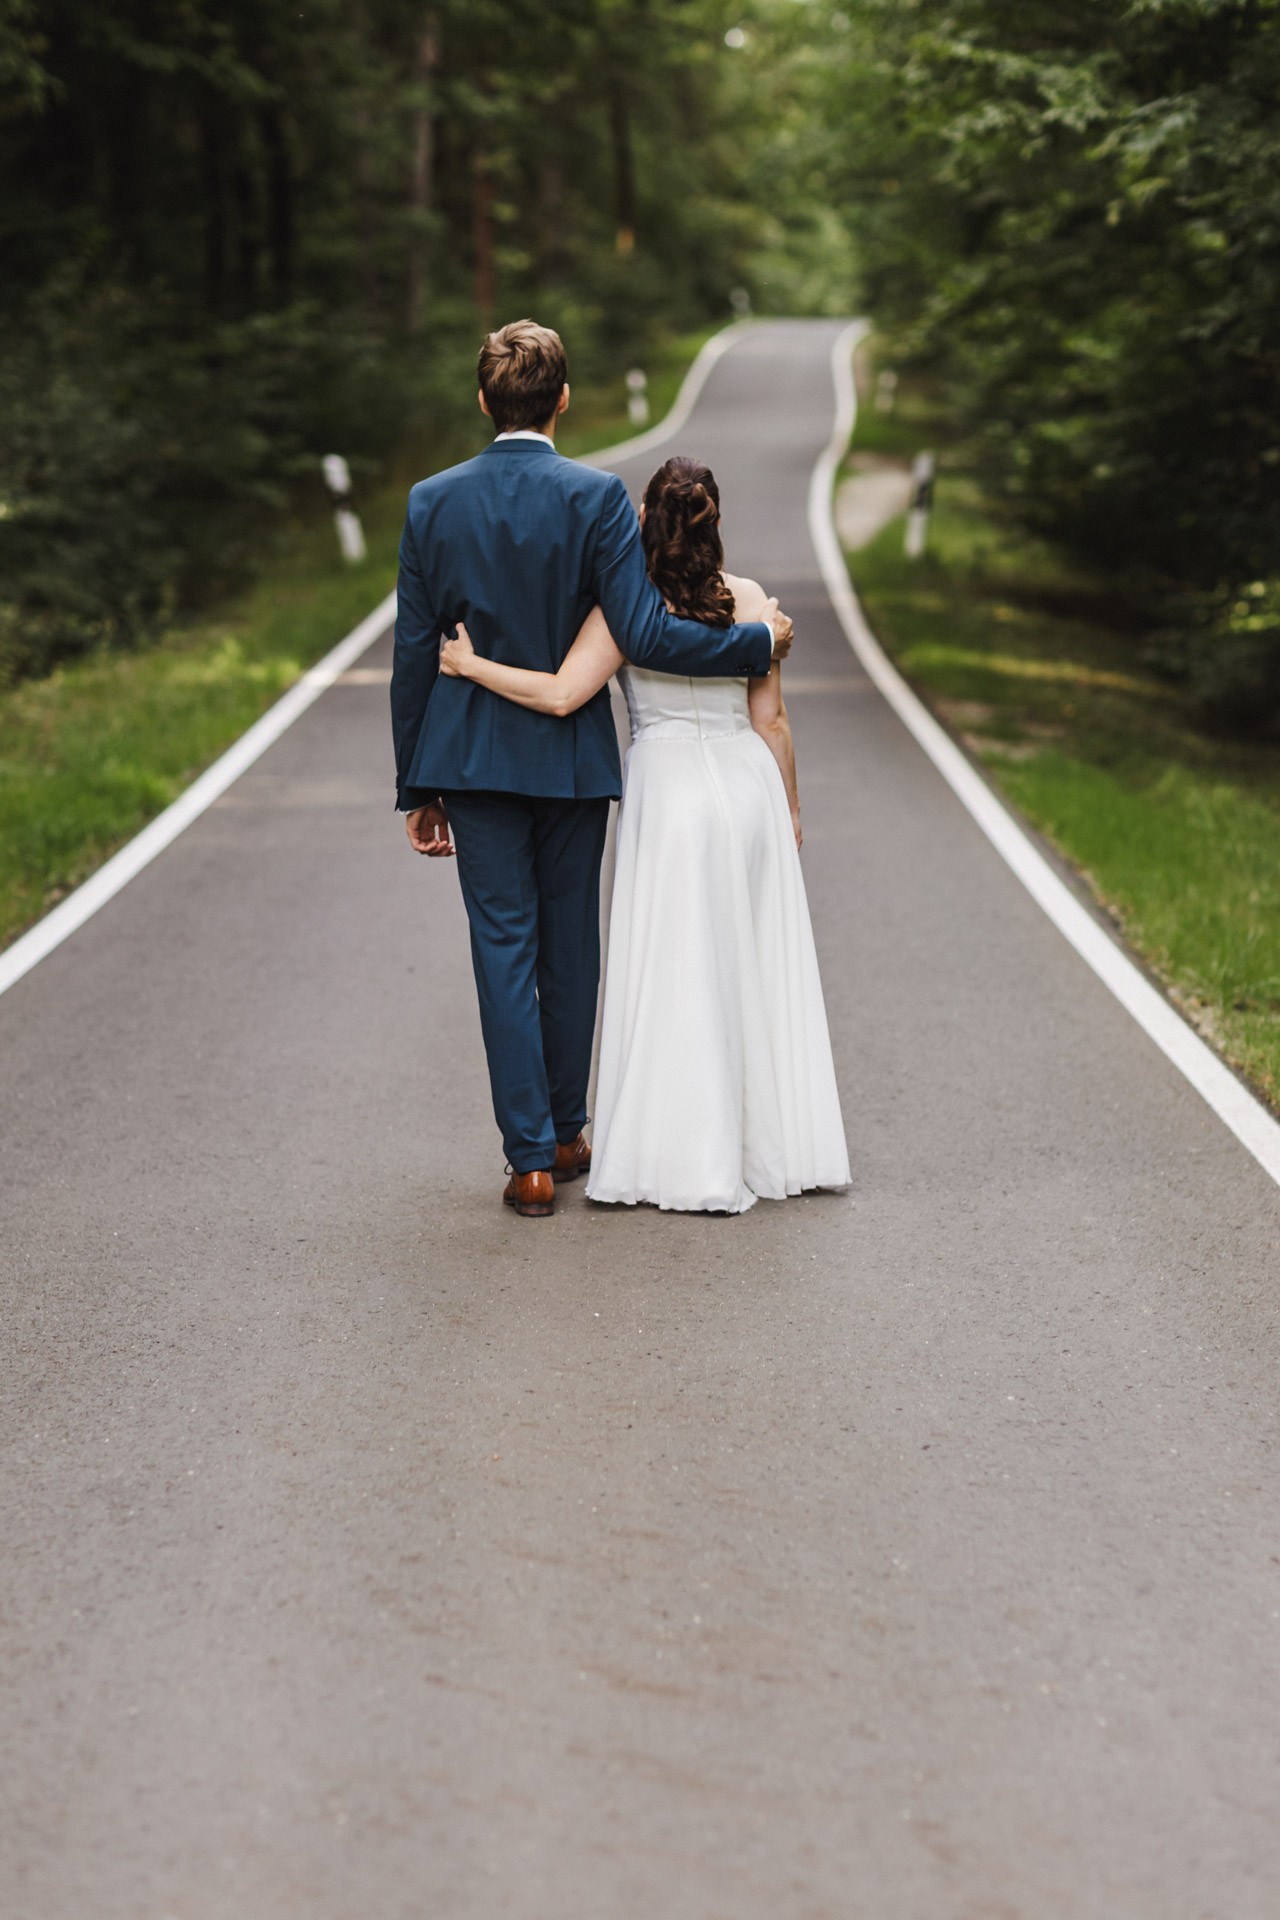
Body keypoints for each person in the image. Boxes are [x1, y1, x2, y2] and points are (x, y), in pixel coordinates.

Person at [391, 320, 794, 1217]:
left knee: (503, 948)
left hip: (470, 762)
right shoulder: (597, 497)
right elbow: (644, 634)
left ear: (484, 400)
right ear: (564, 400)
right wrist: (755, 644)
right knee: (571, 946)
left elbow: (415, 651)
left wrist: (418, 787)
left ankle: (529, 1159)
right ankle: (570, 1129)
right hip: (570, 764)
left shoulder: (430, 501)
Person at [439, 455, 850, 1214]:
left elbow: (561, 695)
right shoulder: (752, 602)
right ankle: (771, 1144)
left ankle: (682, 1149)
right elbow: (772, 722)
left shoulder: (624, 613)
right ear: (714, 520)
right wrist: (789, 808)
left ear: (643, 521)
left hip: (672, 794)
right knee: (750, 964)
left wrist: (472, 665)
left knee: (678, 969)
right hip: (746, 786)